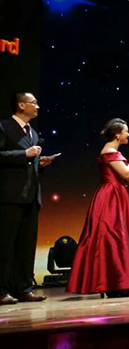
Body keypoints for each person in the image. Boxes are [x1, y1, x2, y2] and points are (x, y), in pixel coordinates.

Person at [66, 118, 129, 297]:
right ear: (117, 134)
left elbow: (125, 175)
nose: (128, 134)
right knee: (112, 236)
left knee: (118, 237)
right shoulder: (110, 152)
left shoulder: (113, 152)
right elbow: (125, 172)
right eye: (126, 131)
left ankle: (121, 281)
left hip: (117, 194)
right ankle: (114, 282)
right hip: (110, 197)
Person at [0, 92, 55, 305]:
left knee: (26, 245)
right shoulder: (4, 127)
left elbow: (29, 163)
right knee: (6, 245)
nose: (37, 106)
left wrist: (40, 164)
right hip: (10, 196)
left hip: (31, 196)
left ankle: (23, 288)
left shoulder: (32, 132)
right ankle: (2, 290)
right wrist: (24, 154)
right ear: (21, 105)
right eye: (34, 103)